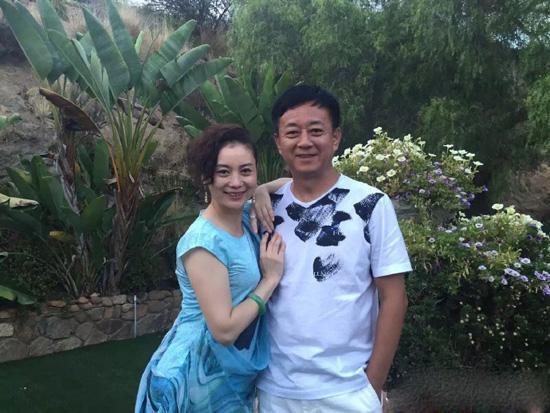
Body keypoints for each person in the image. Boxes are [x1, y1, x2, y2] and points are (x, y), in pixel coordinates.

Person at [253, 85, 412, 412]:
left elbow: (394, 297)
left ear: (336, 137)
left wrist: (372, 386)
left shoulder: (371, 204)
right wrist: (259, 190)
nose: (304, 142)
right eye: (292, 132)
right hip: (276, 392)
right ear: (278, 142)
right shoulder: (266, 209)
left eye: (316, 131)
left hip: (348, 392)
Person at [135, 124, 285, 413]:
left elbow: (291, 183)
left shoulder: (245, 216)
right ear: (206, 176)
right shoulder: (203, 242)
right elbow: (224, 330)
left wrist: (263, 190)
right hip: (191, 377)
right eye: (223, 172)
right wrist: (270, 279)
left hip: (223, 373)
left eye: (246, 171)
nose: (236, 182)